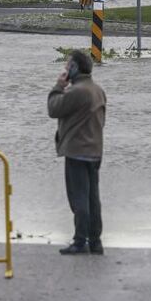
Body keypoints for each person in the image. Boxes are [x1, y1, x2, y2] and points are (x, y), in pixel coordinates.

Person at [47, 50, 107, 256]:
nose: (65, 68)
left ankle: (80, 240)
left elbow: (53, 109)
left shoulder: (76, 91)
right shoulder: (98, 90)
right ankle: (95, 241)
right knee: (93, 198)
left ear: (75, 68)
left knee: (79, 198)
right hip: (95, 150)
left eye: (68, 65)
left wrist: (58, 86)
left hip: (77, 151)